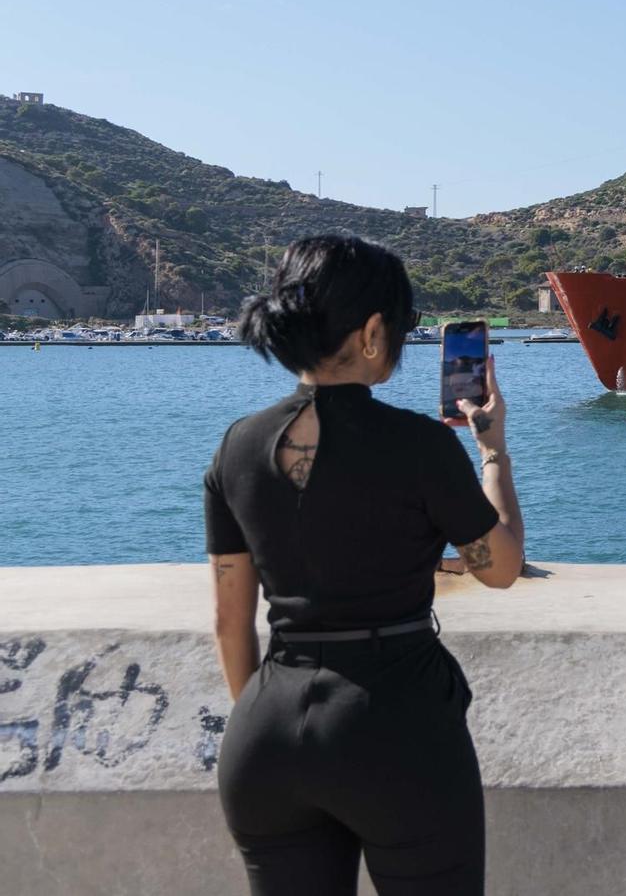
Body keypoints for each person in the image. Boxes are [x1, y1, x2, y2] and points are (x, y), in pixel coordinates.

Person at [204, 235, 526, 896]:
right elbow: (499, 568)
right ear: (373, 332)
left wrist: (272, 726)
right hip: (396, 729)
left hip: (265, 735)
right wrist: (492, 451)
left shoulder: (237, 446)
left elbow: (229, 622)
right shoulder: (419, 445)